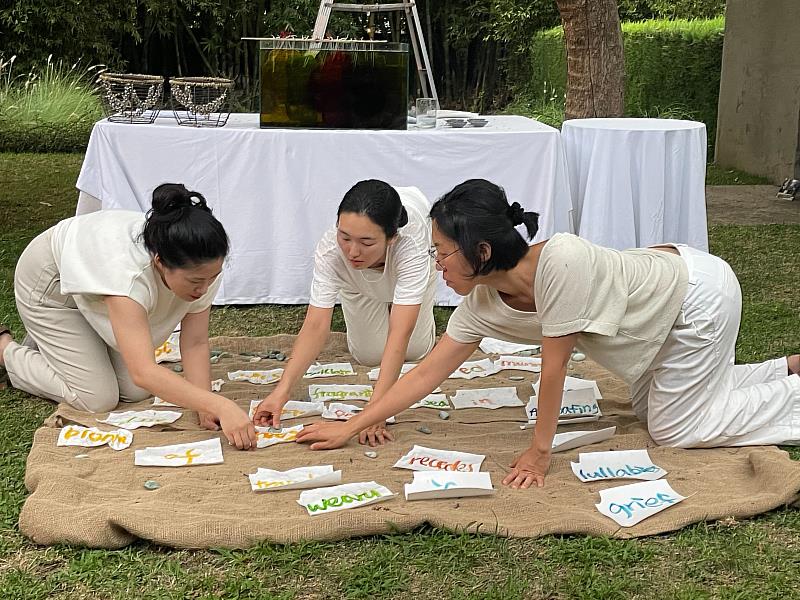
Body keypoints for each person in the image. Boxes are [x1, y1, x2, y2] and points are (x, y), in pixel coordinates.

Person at [296, 178, 800, 486]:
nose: (436, 264)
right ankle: (785, 369)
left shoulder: (561, 261)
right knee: (655, 410)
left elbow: (553, 370)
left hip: (696, 297)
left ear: (482, 252)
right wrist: (352, 424)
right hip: (658, 312)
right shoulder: (481, 303)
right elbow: (427, 372)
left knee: (676, 429)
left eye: (443, 252)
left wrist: (539, 455)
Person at [0, 184, 257, 450]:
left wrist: (205, 404)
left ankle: (61, 344)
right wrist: (219, 404)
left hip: (96, 291)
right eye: (195, 281)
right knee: (97, 398)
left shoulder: (202, 267)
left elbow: (195, 342)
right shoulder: (129, 278)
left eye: (212, 278)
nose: (204, 289)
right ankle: (6, 349)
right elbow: (143, 371)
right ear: (159, 262)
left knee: (134, 392)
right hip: (51, 287)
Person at [252, 180, 437, 446]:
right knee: (369, 355)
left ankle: (418, 304)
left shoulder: (413, 245)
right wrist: (282, 391)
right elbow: (315, 325)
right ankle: (368, 288)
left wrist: (375, 412)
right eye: (345, 237)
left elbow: (400, 332)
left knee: (416, 349)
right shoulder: (333, 251)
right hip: (359, 283)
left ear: (392, 237)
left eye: (366, 242)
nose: (352, 251)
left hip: (410, 265)